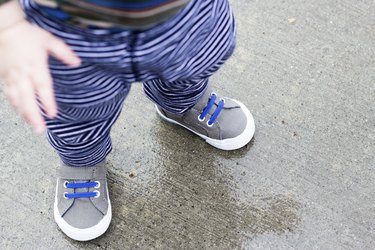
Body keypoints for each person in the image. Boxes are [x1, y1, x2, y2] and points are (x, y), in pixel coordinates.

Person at [0, 0, 255, 241]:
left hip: (184, 14)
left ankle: (180, 103)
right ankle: (82, 158)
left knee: (197, 58)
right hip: (70, 28)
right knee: (76, 107)